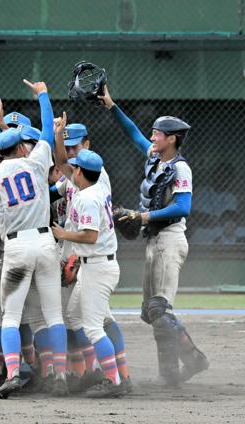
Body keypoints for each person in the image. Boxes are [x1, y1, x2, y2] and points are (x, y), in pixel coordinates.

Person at [100, 86, 209, 386]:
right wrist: (111, 106)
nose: (152, 137)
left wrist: (144, 216)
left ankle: (190, 361)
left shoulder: (180, 168)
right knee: (152, 312)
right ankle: (172, 371)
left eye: (158, 133)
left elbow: (183, 207)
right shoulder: (155, 158)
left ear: (171, 138)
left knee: (160, 309)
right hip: (154, 240)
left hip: (170, 239)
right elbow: (133, 133)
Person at [0, 79, 68, 398]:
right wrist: (43, 95)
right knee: (53, 314)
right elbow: (48, 134)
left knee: (11, 315)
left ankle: (11, 373)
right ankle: (60, 374)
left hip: (15, 247)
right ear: (22, 147)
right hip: (45, 243)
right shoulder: (37, 162)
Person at [51, 147, 126, 398]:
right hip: (93, 265)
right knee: (74, 316)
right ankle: (99, 371)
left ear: (81, 171)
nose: (72, 170)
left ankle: (114, 380)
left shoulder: (87, 197)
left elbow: (90, 236)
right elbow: (62, 162)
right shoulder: (97, 189)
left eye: (75, 167)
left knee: (93, 327)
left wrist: (63, 235)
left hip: (98, 266)